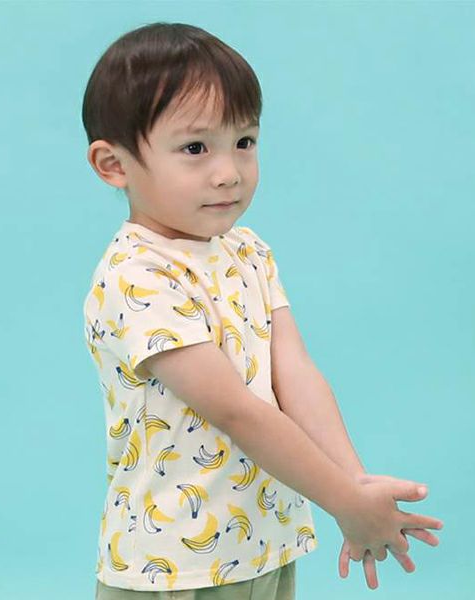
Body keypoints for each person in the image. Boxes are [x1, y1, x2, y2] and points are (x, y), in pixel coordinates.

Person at [81, 22, 443, 600]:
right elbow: (235, 410)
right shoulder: (137, 276)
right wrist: (345, 503)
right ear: (113, 165)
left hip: (261, 543)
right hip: (173, 564)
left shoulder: (247, 251)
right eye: (195, 148)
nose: (229, 171)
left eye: (245, 141)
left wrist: (356, 484)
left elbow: (295, 374)